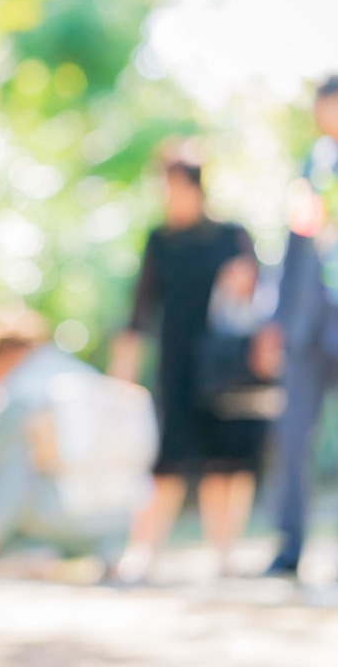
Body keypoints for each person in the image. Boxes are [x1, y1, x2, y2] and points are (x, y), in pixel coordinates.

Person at [109, 140, 265, 580]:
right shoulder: (159, 239)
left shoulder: (232, 236)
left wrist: (243, 283)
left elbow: (260, 300)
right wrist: (123, 373)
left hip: (224, 367)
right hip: (175, 365)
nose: (167, 194)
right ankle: (142, 552)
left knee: (224, 461)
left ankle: (225, 554)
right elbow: (139, 309)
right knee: (168, 461)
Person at [0, 310, 156, 566]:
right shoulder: (80, 373)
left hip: (60, 516)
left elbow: (2, 469)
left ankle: (21, 550)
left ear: (5, 355)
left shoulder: (19, 394)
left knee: (9, 464)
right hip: (120, 518)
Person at [259, 75, 338, 577]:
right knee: (292, 438)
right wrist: (277, 321)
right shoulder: (312, 167)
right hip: (307, 325)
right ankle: (289, 548)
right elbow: (292, 248)